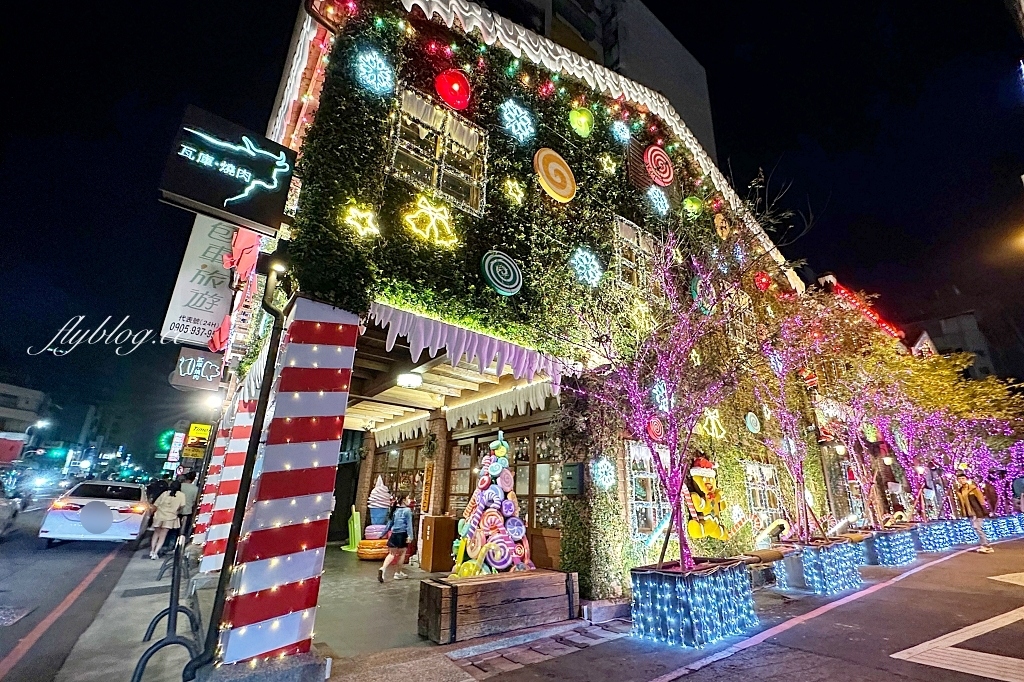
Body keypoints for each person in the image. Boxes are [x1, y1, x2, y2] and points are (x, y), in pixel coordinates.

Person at [954, 472, 993, 553]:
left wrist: (984, 509)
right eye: (959, 479)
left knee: (977, 528)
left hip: (977, 511)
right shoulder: (960, 490)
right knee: (977, 528)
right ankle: (984, 545)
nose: (961, 480)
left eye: (963, 478)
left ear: (966, 479)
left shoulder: (973, 488)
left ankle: (986, 545)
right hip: (970, 512)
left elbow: (981, 499)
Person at [378, 495, 413, 582]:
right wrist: (410, 536)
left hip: (394, 534)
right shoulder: (407, 510)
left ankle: (383, 568)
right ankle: (398, 573)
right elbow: (409, 525)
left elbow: (389, 524)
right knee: (402, 553)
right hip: (402, 534)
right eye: (408, 498)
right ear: (404, 500)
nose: (409, 500)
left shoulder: (395, 510)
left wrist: (382, 534)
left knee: (391, 554)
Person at [149, 481, 186, 560]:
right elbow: (182, 506)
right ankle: (156, 552)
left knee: (156, 533)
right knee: (163, 536)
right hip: (170, 517)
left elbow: (156, 504)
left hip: (159, 515)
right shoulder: (181, 495)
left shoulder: (165, 493)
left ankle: (152, 550)